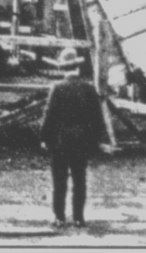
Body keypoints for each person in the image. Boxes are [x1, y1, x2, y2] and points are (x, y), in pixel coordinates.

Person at [39, 49, 108, 229]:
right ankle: (78, 218)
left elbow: (49, 115)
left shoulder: (57, 88)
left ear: (63, 67)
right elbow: (98, 119)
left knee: (59, 181)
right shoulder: (88, 88)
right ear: (78, 66)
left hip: (60, 141)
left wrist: (44, 137)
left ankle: (60, 217)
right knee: (80, 180)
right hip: (82, 141)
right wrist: (94, 140)